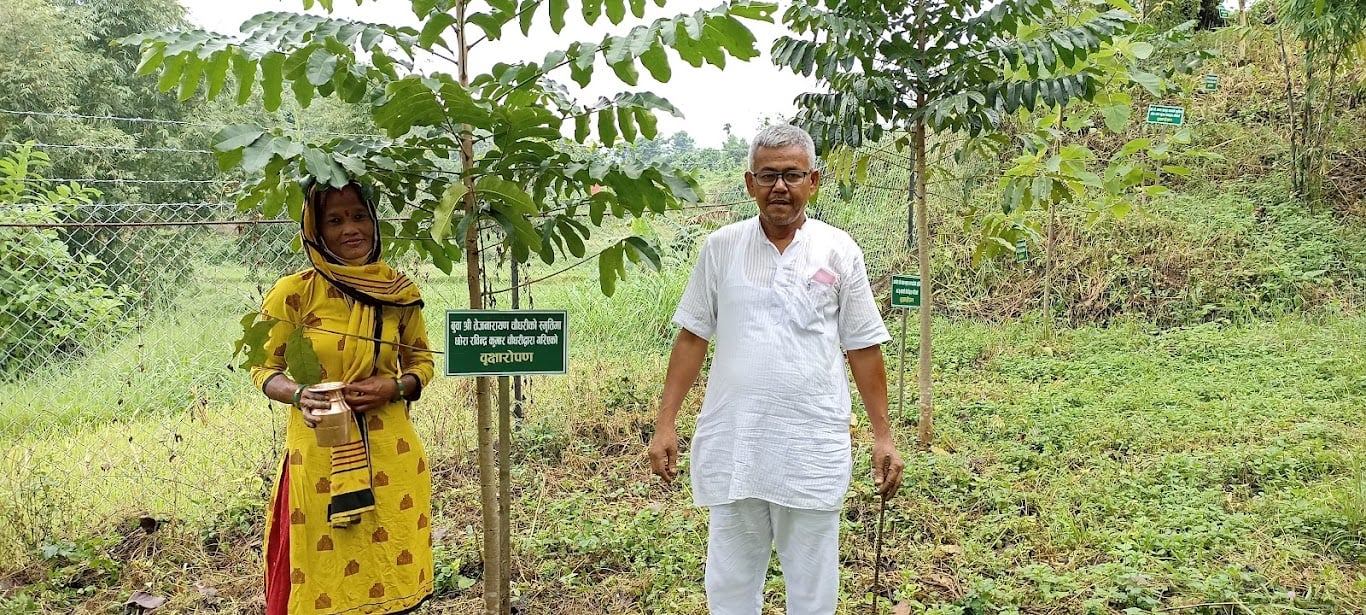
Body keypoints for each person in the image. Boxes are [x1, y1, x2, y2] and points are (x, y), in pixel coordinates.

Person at [647, 124, 905, 614]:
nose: (779, 187)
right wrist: (665, 424)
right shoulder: (720, 248)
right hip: (736, 442)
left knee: (812, 585)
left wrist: (883, 435)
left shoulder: (839, 250)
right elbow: (692, 336)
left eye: (792, 175)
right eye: (768, 175)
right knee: (730, 583)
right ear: (749, 183)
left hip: (810, 445)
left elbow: (863, 346)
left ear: (815, 181)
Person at [252, 179, 436, 615]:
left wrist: (395, 386)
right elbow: (263, 369)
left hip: (392, 453)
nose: (350, 229)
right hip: (320, 452)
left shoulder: (397, 291)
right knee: (324, 572)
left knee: (392, 558)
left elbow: (422, 362)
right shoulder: (293, 293)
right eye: (334, 220)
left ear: (374, 222)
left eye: (358, 216)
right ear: (315, 230)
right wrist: (300, 394)